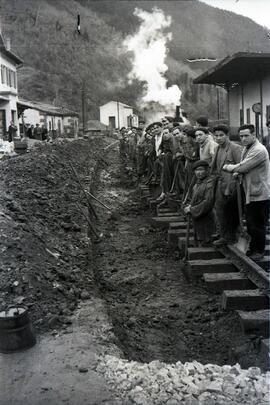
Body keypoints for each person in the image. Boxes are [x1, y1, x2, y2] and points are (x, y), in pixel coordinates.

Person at [223, 124, 270, 261]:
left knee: (256, 222)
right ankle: (244, 242)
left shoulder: (259, 150)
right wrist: (238, 172)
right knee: (234, 210)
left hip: (259, 192)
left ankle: (258, 251)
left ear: (254, 135)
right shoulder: (247, 148)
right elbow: (244, 167)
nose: (243, 138)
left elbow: (243, 166)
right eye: (241, 136)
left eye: (246, 135)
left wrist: (229, 167)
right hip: (248, 188)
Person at [211, 124, 243, 246]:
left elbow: (241, 166)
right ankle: (224, 234)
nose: (218, 138)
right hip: (220, 184)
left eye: (221, 135)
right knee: (219, 210)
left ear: (227, 135)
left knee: (231, 211)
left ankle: (232, 236)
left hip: (232, 185)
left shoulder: (235, 148)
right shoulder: (217, 149)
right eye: (216, 136)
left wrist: (234, 184)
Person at [184, 160, 216, 246]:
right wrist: (190, 205)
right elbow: (195, 199)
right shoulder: (197, 184)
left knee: (206, 239)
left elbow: (208, 202)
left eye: (201, 169)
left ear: (207, 170)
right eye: (196, 170)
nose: (199, 172)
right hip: (199, 217)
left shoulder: (210, 183)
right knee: (200, 238)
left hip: (208, 217)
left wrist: (192, 209)